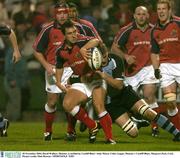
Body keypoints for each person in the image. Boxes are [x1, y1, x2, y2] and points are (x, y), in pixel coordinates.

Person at [96, 46, 180, 142]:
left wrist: (103, 76)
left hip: (125, 94)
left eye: (105, 57)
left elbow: (119, 85)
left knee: (149, 113)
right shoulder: (92, 65)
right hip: (111, 103)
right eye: (100, 57)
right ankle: (135, 122)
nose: (103, 60)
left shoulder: (116, 59)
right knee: (133, 133)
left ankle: (177, 133)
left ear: (107, 53)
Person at [55, 20, 115, 144]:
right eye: (70, 33)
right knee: (67, 104)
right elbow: (59, 67)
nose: (73, 35)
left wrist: (84, 48)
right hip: (82, 81)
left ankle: (109, 138)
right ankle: (93, 125)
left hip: (96, 78)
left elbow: (97, 40)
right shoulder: (61, 51)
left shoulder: (82, 40)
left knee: (99, 106)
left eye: (75, 32)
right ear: (64, 36)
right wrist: (58, 82)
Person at [111, 6, 160, 136]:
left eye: (144, 14)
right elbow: (114, 48)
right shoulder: (126, 30)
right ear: (134, 16)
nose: (141, 16)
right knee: (128, 102)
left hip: (148, 67)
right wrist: (126, 57)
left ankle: (155, 127)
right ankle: (134, 121)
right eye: (138, 14)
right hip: (131, 71)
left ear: (148, 16)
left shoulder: (154, 30)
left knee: (149, 95)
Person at [151, 0, 180, 130]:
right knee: (170, 101)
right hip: (166, 67)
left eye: (163, 9)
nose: (161, 11)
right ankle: (178, 131)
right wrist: (156, 69)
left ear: (169, 10)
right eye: (159, 9)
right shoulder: (154, 30)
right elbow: (154, 52)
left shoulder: (178, 23)